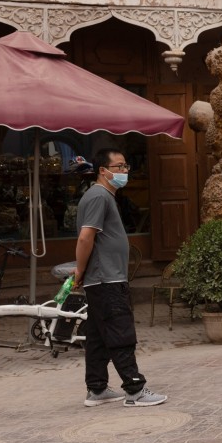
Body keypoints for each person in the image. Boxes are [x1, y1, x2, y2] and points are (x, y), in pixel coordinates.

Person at [75, 148, 167, 408]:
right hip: (106, 280)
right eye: (118, 167)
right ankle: (135, 389)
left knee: (97, 336)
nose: (124, 171)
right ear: (103, 171)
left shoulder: (102, 196)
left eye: (126, 166)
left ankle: (97, 389)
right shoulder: (98, 196)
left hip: (103, 279)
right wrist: (80, 271)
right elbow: (85, 237)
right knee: (120, 331)